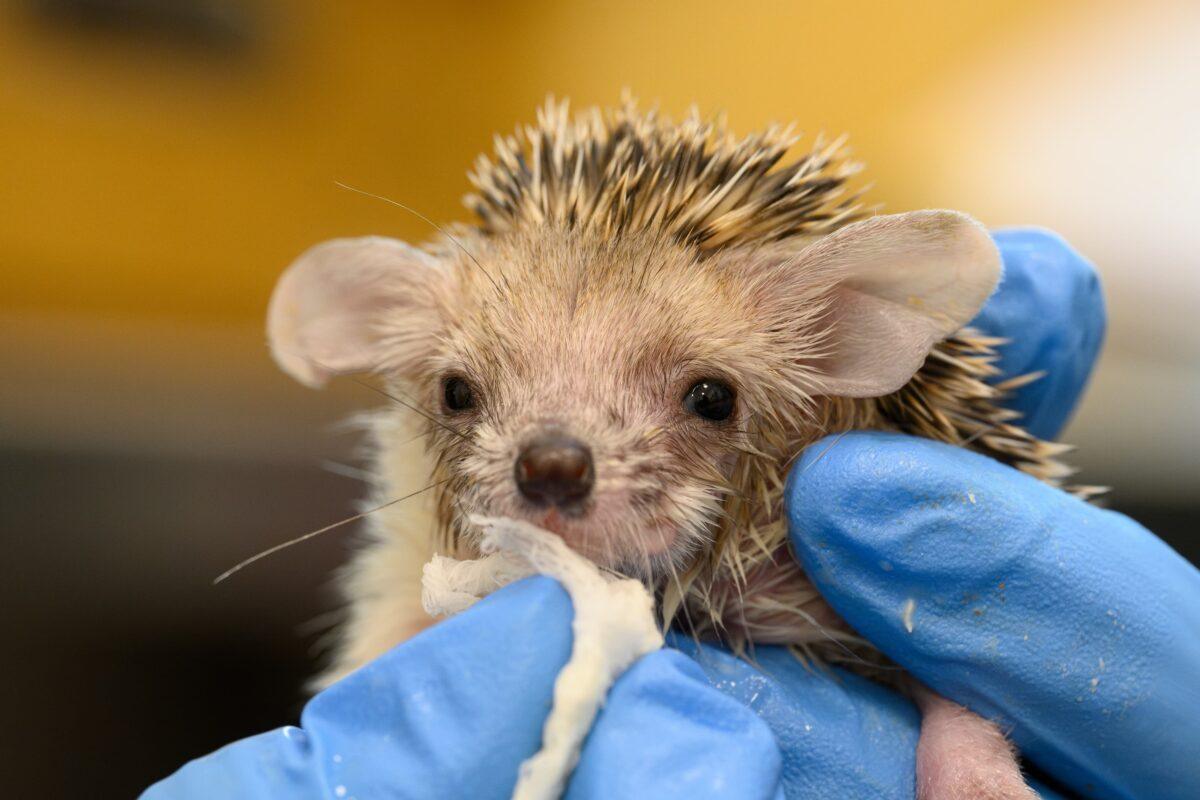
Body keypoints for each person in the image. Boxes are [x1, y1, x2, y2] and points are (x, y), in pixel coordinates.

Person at [143, 230, 1200, 800]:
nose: (555, 462)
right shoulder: (437, 543)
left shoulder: (861, 509)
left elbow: (957, 667)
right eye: (464, 394)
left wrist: (961, 744)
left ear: (835, 367)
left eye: (704, 399)